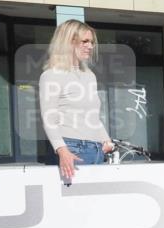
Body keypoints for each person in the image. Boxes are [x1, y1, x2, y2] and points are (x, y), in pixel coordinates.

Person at [39, 19, 113, 184]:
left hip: (96, 150)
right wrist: (62, 150)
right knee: (68, 207)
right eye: (85, 41)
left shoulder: (90, 76)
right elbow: (49, 118)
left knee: (93, 205)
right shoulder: (51, 75)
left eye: (92, 42)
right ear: (68, 42)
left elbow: (93, 117)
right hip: (70, 149)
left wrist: (106, 140)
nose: (90, 46)